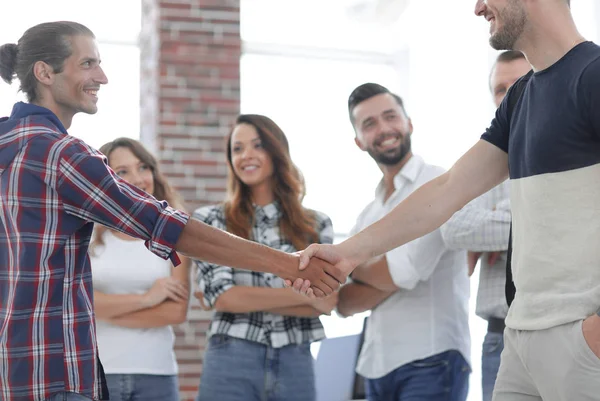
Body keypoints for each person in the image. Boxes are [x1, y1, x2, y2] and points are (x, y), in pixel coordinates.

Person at [0, 21, 343, 401]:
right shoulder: (61, 154)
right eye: (88, 64)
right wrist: (290, 265)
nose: (103, 76)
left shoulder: (7, 143)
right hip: (52, 379)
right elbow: (171, 228)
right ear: (45, 72)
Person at [295, 1, 600, 400]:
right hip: (520, 339)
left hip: (579, 342)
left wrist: (592, 334)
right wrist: (347, 253)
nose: (478, 7)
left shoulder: (593, 76)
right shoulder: (521, 97)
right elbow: (449, 189)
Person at [335, 83, 471, 401]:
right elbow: (343, 301)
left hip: (432, 359)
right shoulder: (368, 213)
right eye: (369, 124)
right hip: (375, 366)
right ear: (359, 141)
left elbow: (404, 271)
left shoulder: (437, 184)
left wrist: (352, 263)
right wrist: (365, 267)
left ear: (409, 122)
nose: (383, 129)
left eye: (390, 117)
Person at [194, 114, 338, 401]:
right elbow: (224, 298)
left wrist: (248, 296)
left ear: (276, 151)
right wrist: (302, 293)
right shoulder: (209, 220)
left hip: (296, 359)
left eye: (257, 145)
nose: (246, 155)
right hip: (231, 357)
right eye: (237, 149)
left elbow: (328, 300)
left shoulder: (316, 225)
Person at [440, 50, 531, 401]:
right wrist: (524, 222)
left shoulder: (575, 148)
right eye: (499, 89)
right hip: (499, 338)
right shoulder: (484, 161)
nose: (508, 96)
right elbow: (453, 226)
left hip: (568, 335)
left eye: (519, 84)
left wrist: (493, 225)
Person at [89, 137, 191, 401]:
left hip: (156, 374)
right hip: (99, 372)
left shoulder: (174, 237)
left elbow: (176, 311)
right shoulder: (86, 237)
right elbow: (81, 303)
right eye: (122, 171)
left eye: (143, 167)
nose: (138, 178)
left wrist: (105, 312)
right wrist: (146, 299)